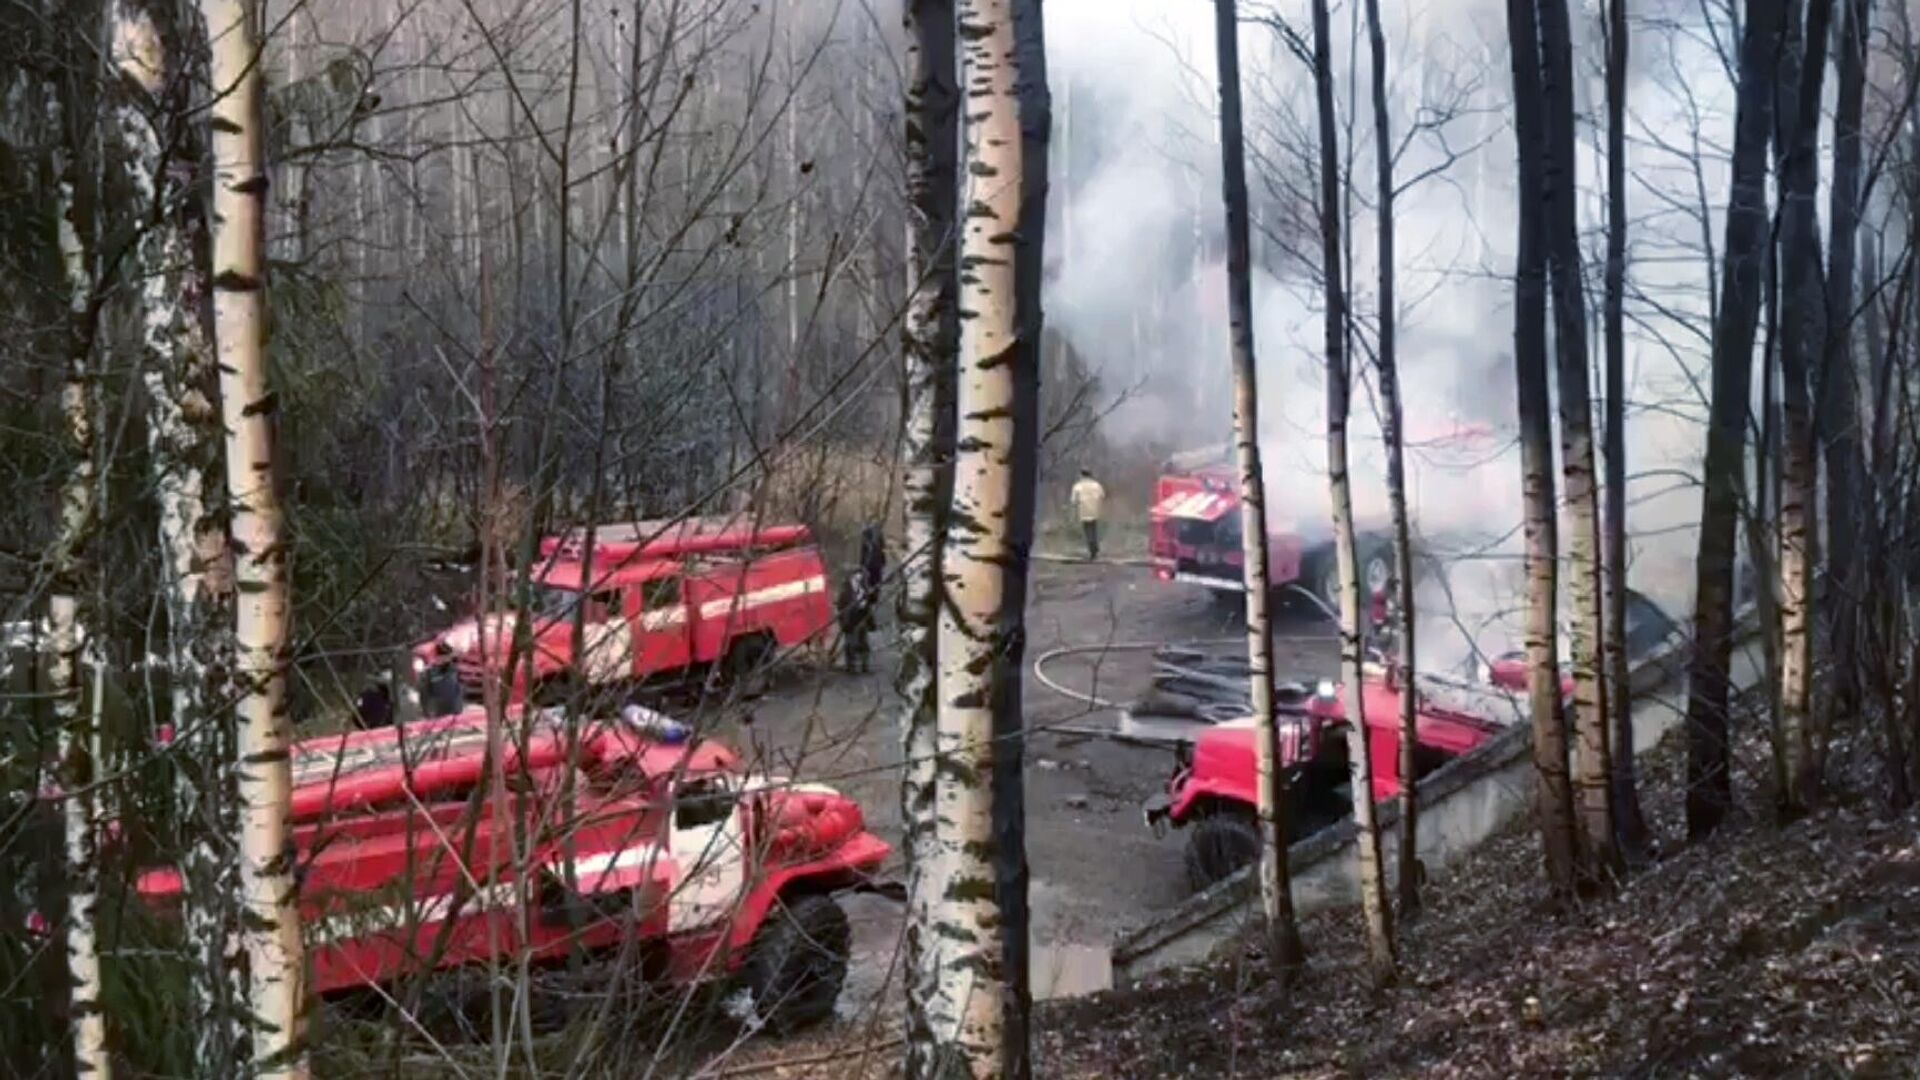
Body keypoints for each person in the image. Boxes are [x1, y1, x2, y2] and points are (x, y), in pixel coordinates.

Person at [836, 571, 875, 674]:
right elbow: (841, 606)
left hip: (862, 617)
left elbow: (870, 602)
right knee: (851, 644)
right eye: (856, 575)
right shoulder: (845, 591)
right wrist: (844, 620)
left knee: (864, 643)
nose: (859, 577)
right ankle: (851, 666)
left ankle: (865, 665)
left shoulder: (864, 588)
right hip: (851, 621)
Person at [1069, 468, 1106, 560]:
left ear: (1081, 475)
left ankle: (1092, 550)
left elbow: (1073, 500)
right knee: (1093, 529)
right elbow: (1103, 495)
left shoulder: (1078, 486)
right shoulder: (1096, 485)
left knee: (1087, 530)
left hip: (1084, 510)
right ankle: (1095, 548)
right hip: (1095, 510)